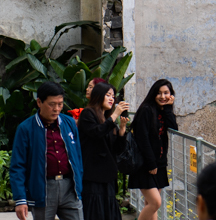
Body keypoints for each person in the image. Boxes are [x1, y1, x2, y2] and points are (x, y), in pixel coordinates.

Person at [10, 82, 84, 220]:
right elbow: (17, 166)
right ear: (39, 102)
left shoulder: (69, 123)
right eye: (52, 104)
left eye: (60, 104)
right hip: (43, 189)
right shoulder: (26, 128)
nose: (56, 109)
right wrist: (20, 199)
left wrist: (79, 185)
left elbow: (78, 157)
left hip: (70, 188)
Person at [77, 82, 130, 220]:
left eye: (113, 96)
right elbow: (97, 133)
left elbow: (117, 149)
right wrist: (115, 115)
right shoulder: (88, 114)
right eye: (108, 95)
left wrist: (122, 131)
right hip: (93, 176)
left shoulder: (107, 119)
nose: (112, 99)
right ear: (98, 95)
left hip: (108, 176)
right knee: (95, 213)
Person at [129, 79, 177, 220]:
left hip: (160, 164)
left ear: (171, 95)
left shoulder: (163, 110)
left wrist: (169, 108)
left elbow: (174, 128)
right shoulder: (146, 110)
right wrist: (151, 163)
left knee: (150, 203)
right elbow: (142, 138)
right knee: (155, 203)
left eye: (166, 93)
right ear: (153, 94)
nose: (163, 97)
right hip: (147, 164)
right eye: (159, 93)